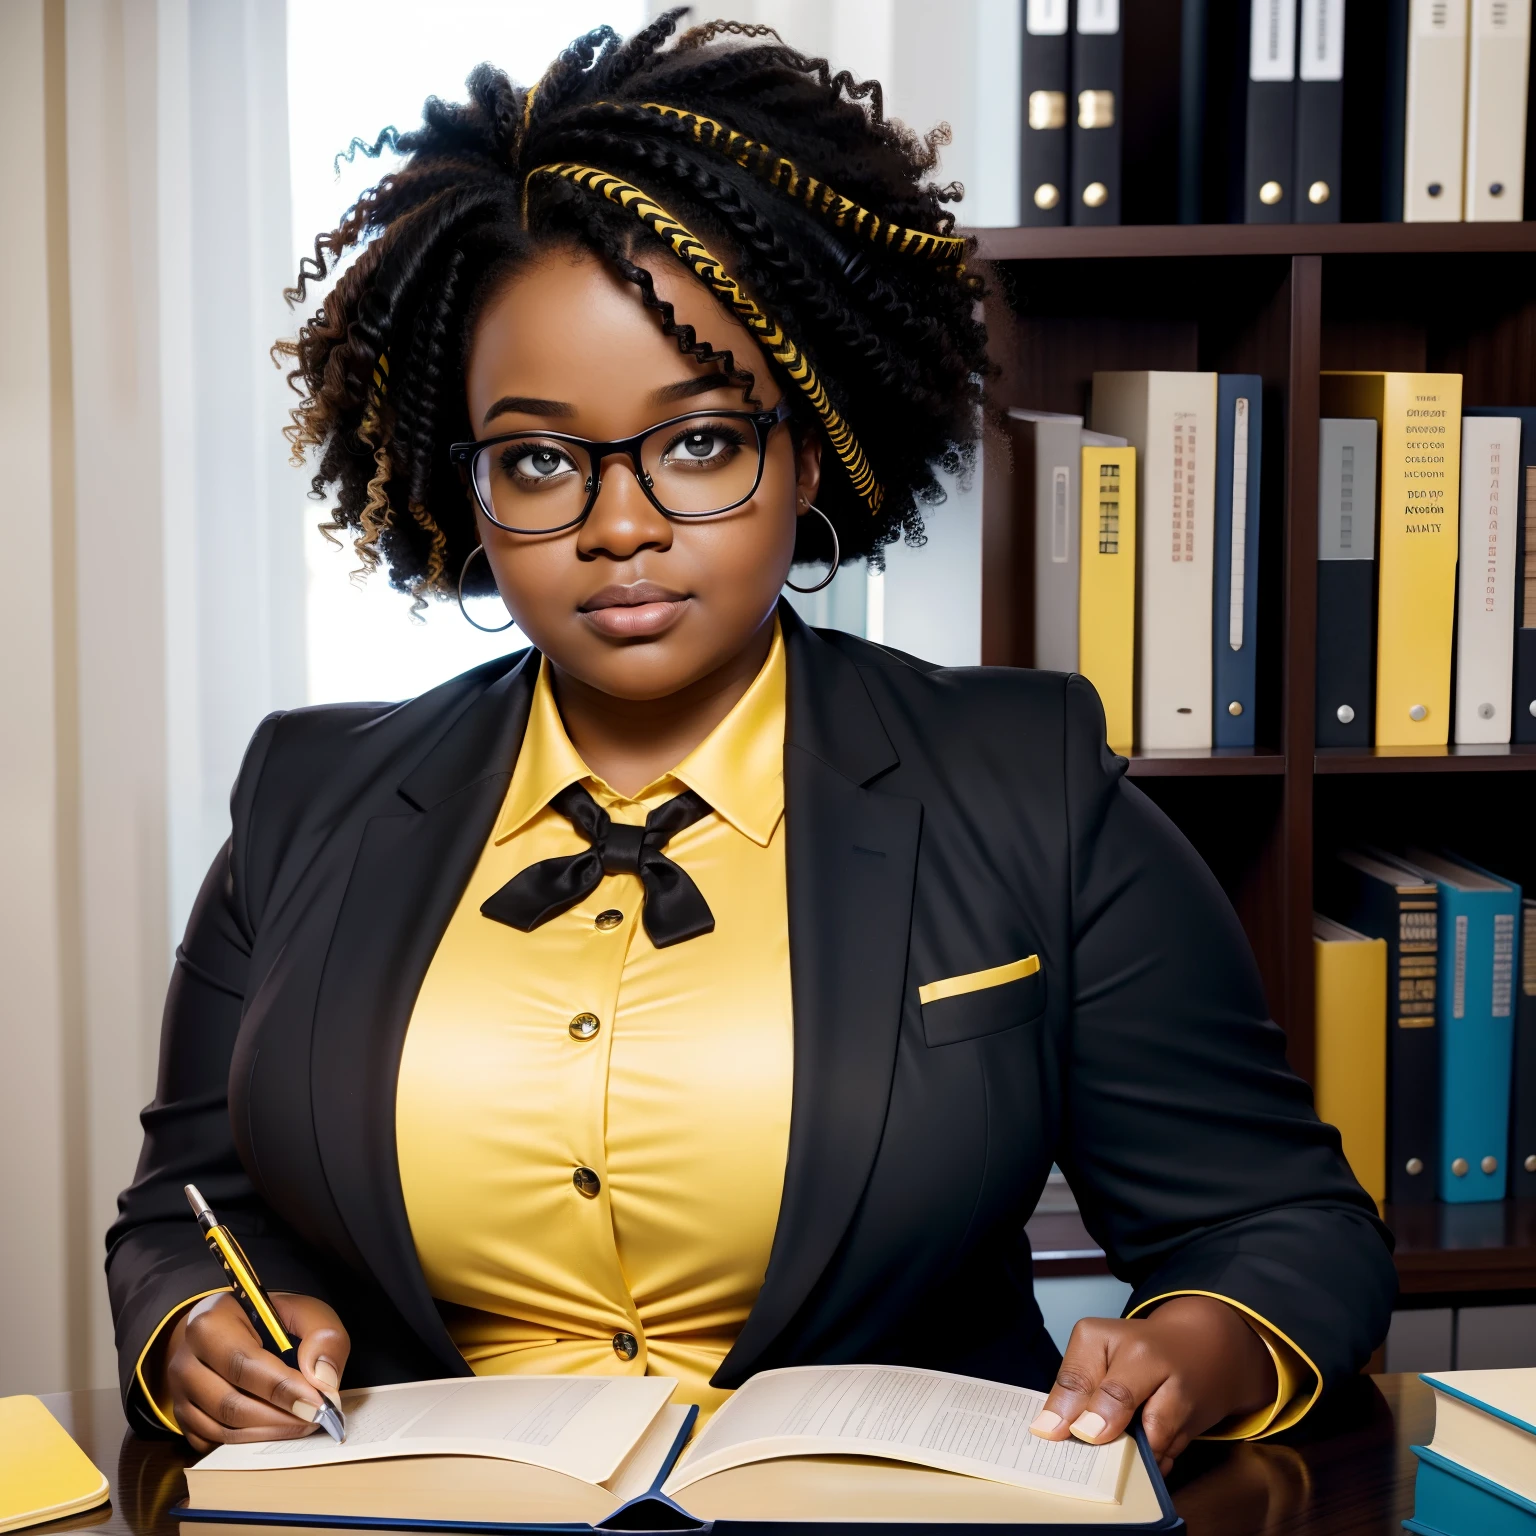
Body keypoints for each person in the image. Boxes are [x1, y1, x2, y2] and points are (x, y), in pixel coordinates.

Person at [107, 12, 1394, 1475]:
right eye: (539, 459)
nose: (621, 524)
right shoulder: (307, 797)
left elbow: (1282, 1226)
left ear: (814, 444)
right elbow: (182, 1219)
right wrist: (206, 1319)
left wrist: (1199, 1345)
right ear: (457, 487)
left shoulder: (1021, 781)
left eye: (701, 441)